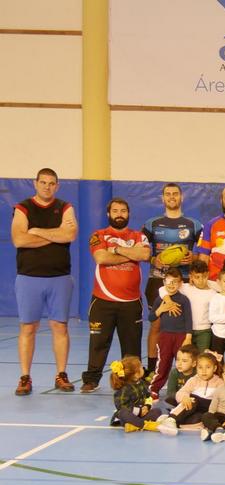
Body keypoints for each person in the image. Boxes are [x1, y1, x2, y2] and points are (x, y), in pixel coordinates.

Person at [12, 168, 79, 395]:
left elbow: (70, 235)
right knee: (28, 328)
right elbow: (19, 239)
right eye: (43, 182)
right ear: (35, 183)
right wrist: (55, 235)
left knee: (59, 326)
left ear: (57, 186)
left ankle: (61, 374)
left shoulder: (65, 207)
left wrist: (38, 231)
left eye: (52, 183)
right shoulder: (23, 208)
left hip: (59, 277)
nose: (47, 187)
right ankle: (24, 377)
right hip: (28, 277)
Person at [81, 198, 151, 392]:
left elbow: (144, 256)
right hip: (102, 301)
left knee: (132, 346)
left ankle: (132, 379)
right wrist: (131, 254)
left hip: (131, 302)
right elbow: (100, 257)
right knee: (98, 343)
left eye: (123, 211)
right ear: (108, 214)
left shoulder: (138, 235)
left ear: (128, 214)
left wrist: (117, 249)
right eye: (115, 210)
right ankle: (92, 379)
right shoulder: (99, 235)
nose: (119, 214)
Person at [143, 183, 203, 375]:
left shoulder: (195, 225)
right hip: (158, 280)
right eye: (167, 194)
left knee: (185, 325)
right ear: (162, 199)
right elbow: (142, 252)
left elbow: (203, 253)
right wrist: (154, 259)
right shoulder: (150, 224)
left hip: (185, 281)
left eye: (175, 194)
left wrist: (192, 258)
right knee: (157, 325)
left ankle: (185, 370)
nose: (171, 197)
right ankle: (153, 369)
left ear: (181, 197)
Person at [148, 268, 192, 398]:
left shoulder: (184, 300)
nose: (172, 285)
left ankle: (185, 389)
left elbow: (189, 319)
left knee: (183, 364)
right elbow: (151, 318)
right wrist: (160, 310)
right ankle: (154, 389)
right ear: (164, 282)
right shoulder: (159, 300)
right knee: (163, 363)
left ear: (180, 284)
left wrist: (188, 336)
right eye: (169, 281)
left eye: (175, 282)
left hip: (181, 336)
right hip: (165, 336)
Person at [157, 352, 224, 435]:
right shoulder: (193, 380)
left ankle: (172, 419)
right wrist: (184, 398)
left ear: (214, 368)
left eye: (208, 367)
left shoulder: (219, 382)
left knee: (197, 410)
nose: (204, 371)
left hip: (208, 408)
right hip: (194, 407)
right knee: (193, 405)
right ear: (196, 368)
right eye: (200, 367)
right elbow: (181, 392)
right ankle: (171, 420)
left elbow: (222, 399)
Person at [110, 356, 162, 433]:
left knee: (157, 411)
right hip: (129, 416)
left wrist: (147, 406)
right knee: (123, 413)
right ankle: (144, 425)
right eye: (141, 367)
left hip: (141, 414)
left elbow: (148, 396)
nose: (143, 368)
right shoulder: (124, 389)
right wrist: (140, 411)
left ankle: (134, 426)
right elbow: (122, 407)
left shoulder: (141, 383)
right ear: (136, 374)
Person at [208, 269, 225, 358]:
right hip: (218, 335)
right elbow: (212, 318)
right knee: (217, 360)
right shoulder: (216, 298)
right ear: (219, 282)